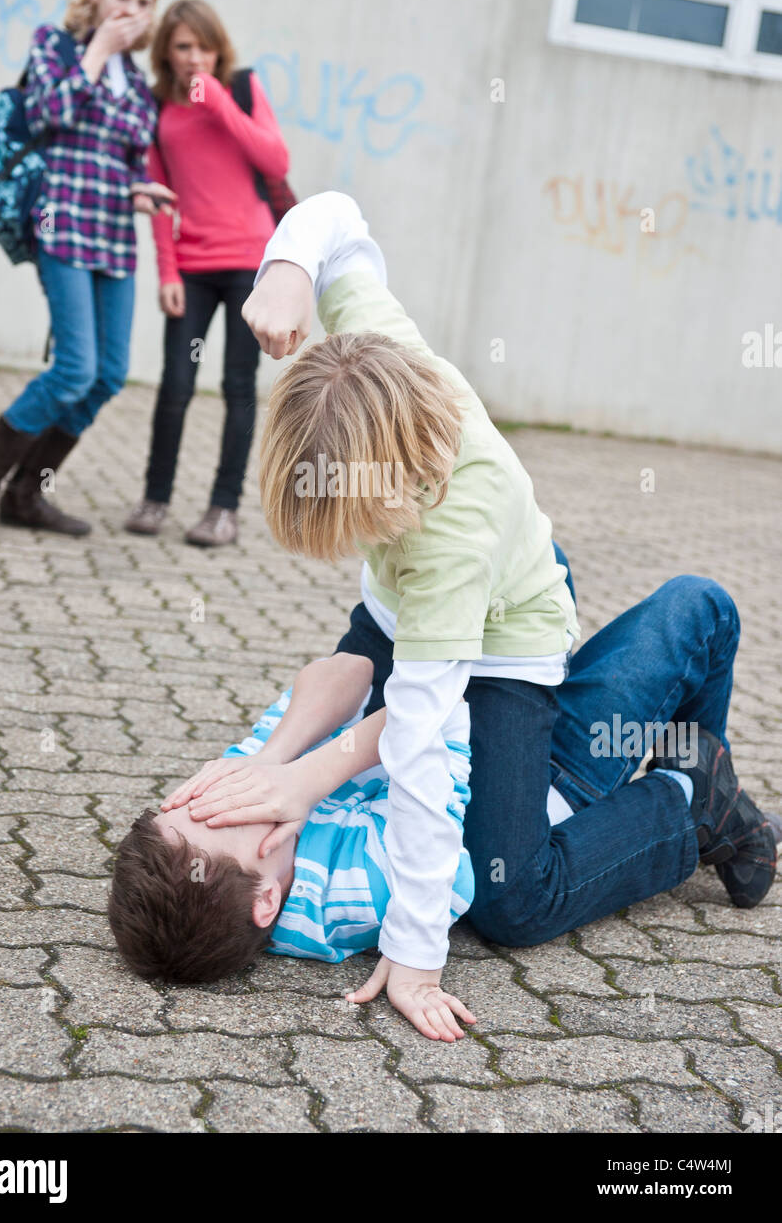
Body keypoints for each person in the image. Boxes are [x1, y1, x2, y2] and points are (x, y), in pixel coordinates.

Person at [238, 190, 778, 1038]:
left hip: (508, 635)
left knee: (511, 896)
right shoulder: (373, 360)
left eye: (359, 529)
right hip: (442, 586)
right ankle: (645, 742)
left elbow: (417, 740)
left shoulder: (447, 544)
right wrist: (288, 268)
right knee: (385, 696)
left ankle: (692, 794)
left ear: (401, 491)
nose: (351, 548)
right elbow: (339, 216)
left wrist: (415, 951)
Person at [107, 568, 779, 1043]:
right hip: (546, 775)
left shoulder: (251, 789)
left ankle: (710, 798)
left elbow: (349, 673)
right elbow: (437, 720)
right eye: (214, 817)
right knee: (699, 606)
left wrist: (270, 757)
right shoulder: (338, 896)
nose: (215, 795)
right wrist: (308, 777)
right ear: (266, 901)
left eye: (184, 800)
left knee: (526, 584)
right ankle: (702, 801)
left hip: (494, 692)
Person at [0, 0, 176, 540]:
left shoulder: (140, 83)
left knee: (107, 375)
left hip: (115, 234)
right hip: (62, 224)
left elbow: (119, 156)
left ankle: (27, 494)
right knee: (74, 370)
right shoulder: (57, 45)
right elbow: (51, 113)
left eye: (143, 2)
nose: (132, 9)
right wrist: (98, 48)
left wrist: (140, 189)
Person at [124, 0, 290, 547]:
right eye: (183, 47)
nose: (195, 57)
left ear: (219, 49)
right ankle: (155, 500)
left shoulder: (239, 88)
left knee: (238, 386)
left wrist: (218, 101)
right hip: (191, 268)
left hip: (249, 261)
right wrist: (167, 271)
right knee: (175, 385)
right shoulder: (155, 106)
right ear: (166, 54)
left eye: (204, 46)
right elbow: (157, 193)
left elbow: (276, 161)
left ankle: (223, 510)